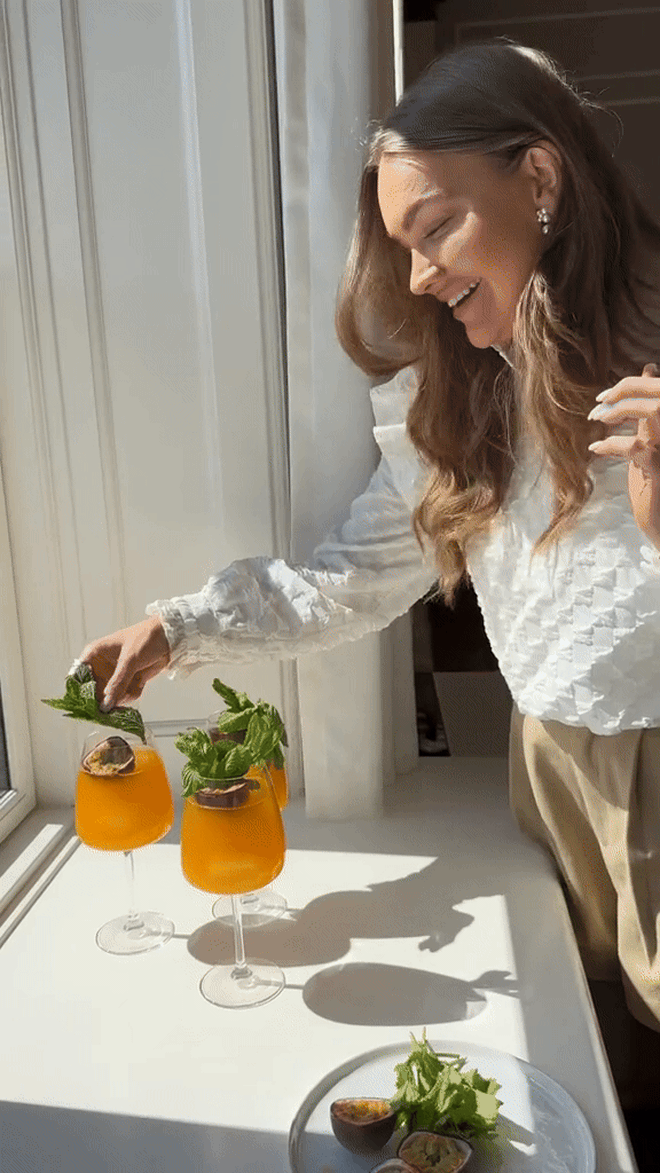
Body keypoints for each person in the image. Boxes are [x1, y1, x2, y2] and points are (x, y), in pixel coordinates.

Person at [80, 40, 660, 1081]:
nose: (421, 275)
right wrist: (183, 626)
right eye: (404, 247)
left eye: (437, 228)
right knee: (591, 1042)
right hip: (546, 767)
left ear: (539, 178)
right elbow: (350, 581)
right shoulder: (458, 400)